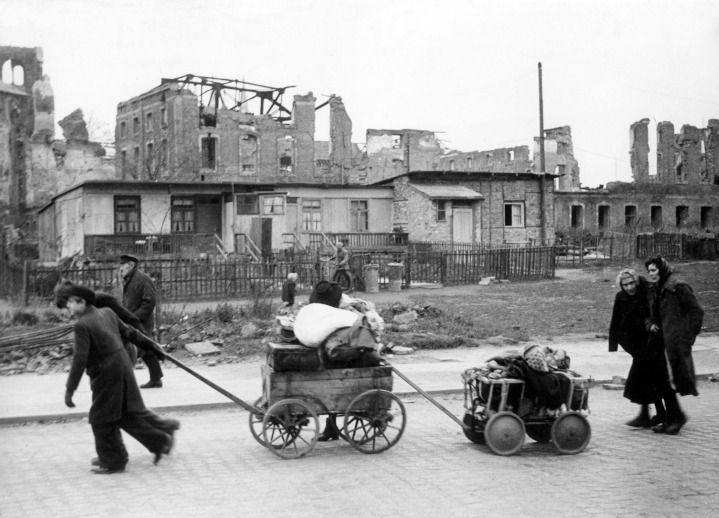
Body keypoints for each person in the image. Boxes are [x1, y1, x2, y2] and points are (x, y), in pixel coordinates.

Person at [58, 284, 177, 474]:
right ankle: (159, 441)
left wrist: (69, 390)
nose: (68, 309)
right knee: (123, 415)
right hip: (123, 366)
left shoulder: (82, 325)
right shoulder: (106, 312)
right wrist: (152, 346)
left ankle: (114, 460)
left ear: (81, 302)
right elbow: (130, 332)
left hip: (107, 373)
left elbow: (79, 360)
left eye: (69, 304)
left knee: (100, 418)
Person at [644, 256, 704, 435]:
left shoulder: (677, 287)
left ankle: (676, 418)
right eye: (649, 271)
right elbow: (649, 314)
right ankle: (672, 417)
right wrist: (650, 324)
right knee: (659, 380)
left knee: (669, 381)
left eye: (654, 270)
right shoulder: (654, 289)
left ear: (662, 269)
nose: (651, 274)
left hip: (675, 343)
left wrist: (688, 337)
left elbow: (696, 311)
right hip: (659, 342)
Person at [608, 268, 665, 428]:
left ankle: (655, 414)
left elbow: (656, 314)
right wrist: (615, 343)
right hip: (633, 345)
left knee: (647, 378)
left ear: (637, 281)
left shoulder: (647, 293)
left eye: (632, 283)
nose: (629, 287)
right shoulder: (621, 297)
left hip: (650, 342)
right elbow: (615, 321)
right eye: (625, 285)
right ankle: (649, 414)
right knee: (644, 378)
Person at [119, 254, 163, 388]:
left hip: (141, 321)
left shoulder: (143, 279)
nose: (120, 268)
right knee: (146, 349)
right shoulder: (129, 279)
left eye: (123, 265)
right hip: (132, 321)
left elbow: (150, 301)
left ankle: (124, 381)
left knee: (134, 349)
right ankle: (156, 378)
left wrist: (136, 318)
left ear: (131, 265)